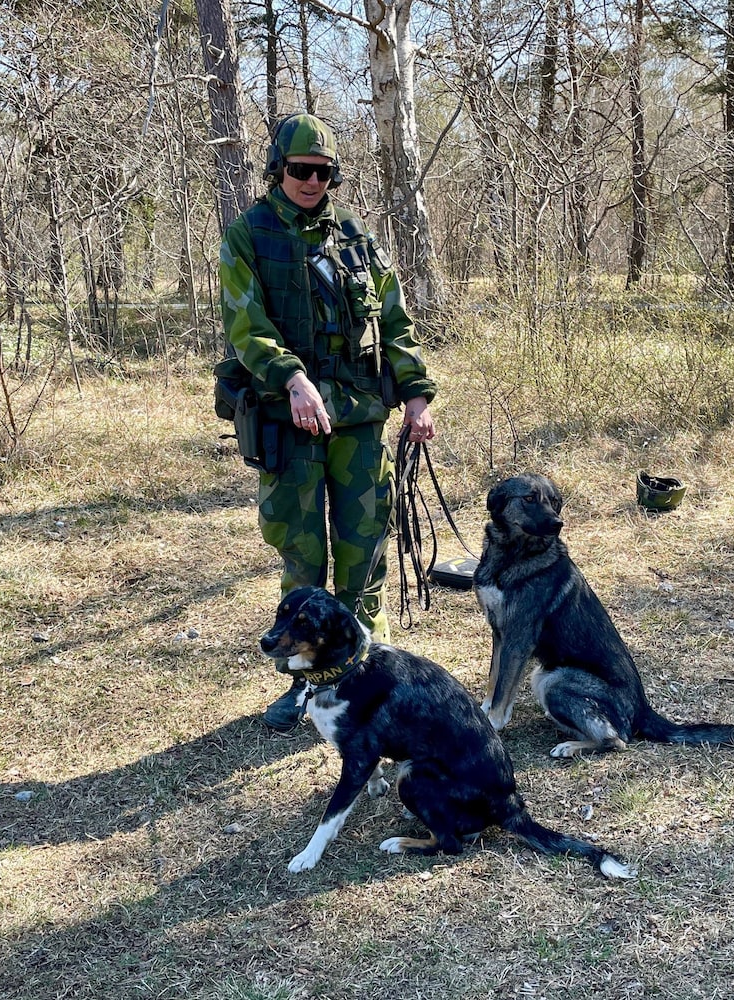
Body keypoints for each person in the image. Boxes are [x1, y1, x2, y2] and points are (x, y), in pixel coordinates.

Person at [219, 112, 437, 731]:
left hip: (359, 417)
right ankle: (302, 682)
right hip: (288, 417)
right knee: (303, 553)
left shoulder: (354, 239)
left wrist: (416, 393)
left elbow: (393, 319)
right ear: (277, 170)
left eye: (322, 172)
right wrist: (292, 379)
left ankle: (368, 672)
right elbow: (246, 324)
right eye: (300, 170)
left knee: (365, 545)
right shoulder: (248, 236)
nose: (312, 181)